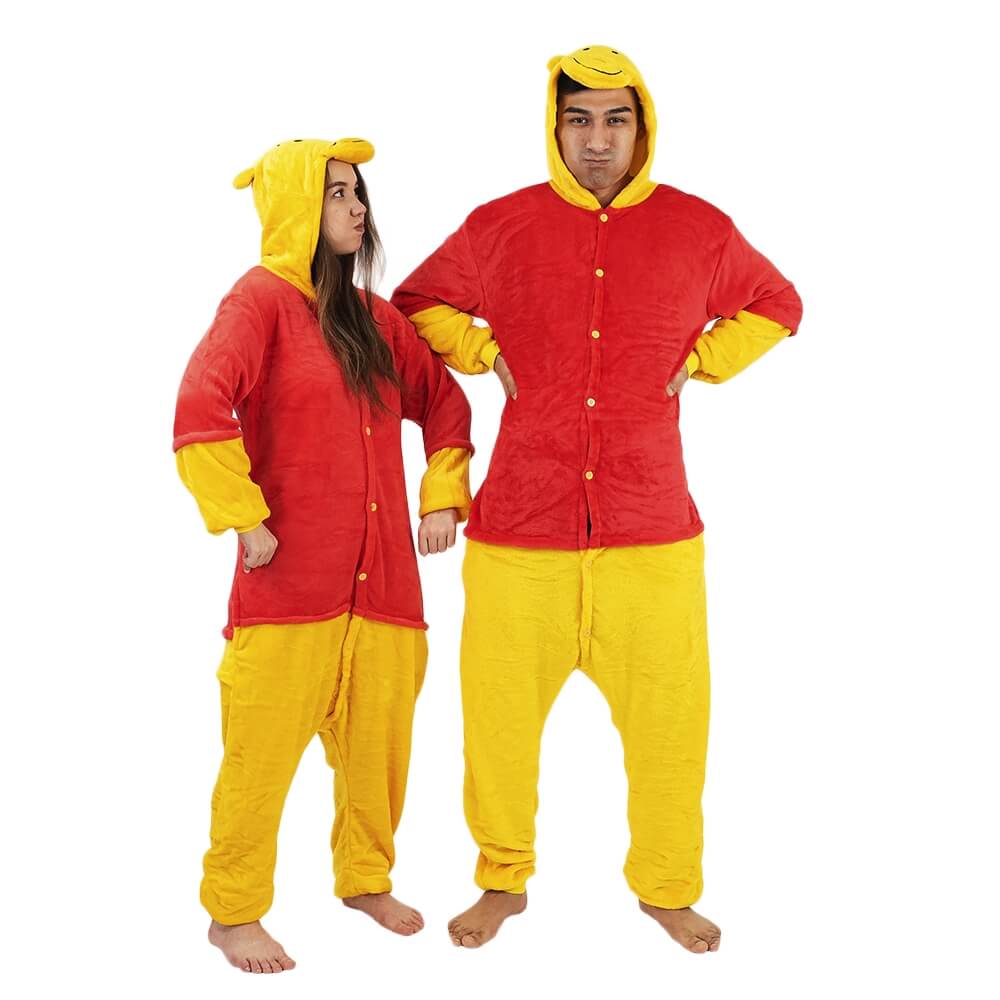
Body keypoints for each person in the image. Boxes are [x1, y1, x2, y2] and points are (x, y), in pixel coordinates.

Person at [391, 46, 802, 953]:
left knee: (670, 726)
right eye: (578, 120)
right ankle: (502, 880)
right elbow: (416, 301)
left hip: (651, 530)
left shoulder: (699, 228)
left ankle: (667, 887)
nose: (597, 141)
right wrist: (486, 352)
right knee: (497, 724)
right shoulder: (500, 226)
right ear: (555, 127)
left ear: (641, 127)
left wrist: (703, 358)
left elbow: (778, 303)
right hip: (519, 530)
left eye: (616, 120)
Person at [173, 137, 474, 973]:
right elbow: (200, 407)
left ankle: (365, 879)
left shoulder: (377, 320)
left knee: (379, 753)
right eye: (336, 192)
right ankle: (234, 912)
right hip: (289, 589)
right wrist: (244, 517)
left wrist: (441, 494)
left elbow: (444, 404)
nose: (356, 207)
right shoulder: (259, 302)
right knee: (259, 760)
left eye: (358, 192)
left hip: (386, 590)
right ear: (295, 205)